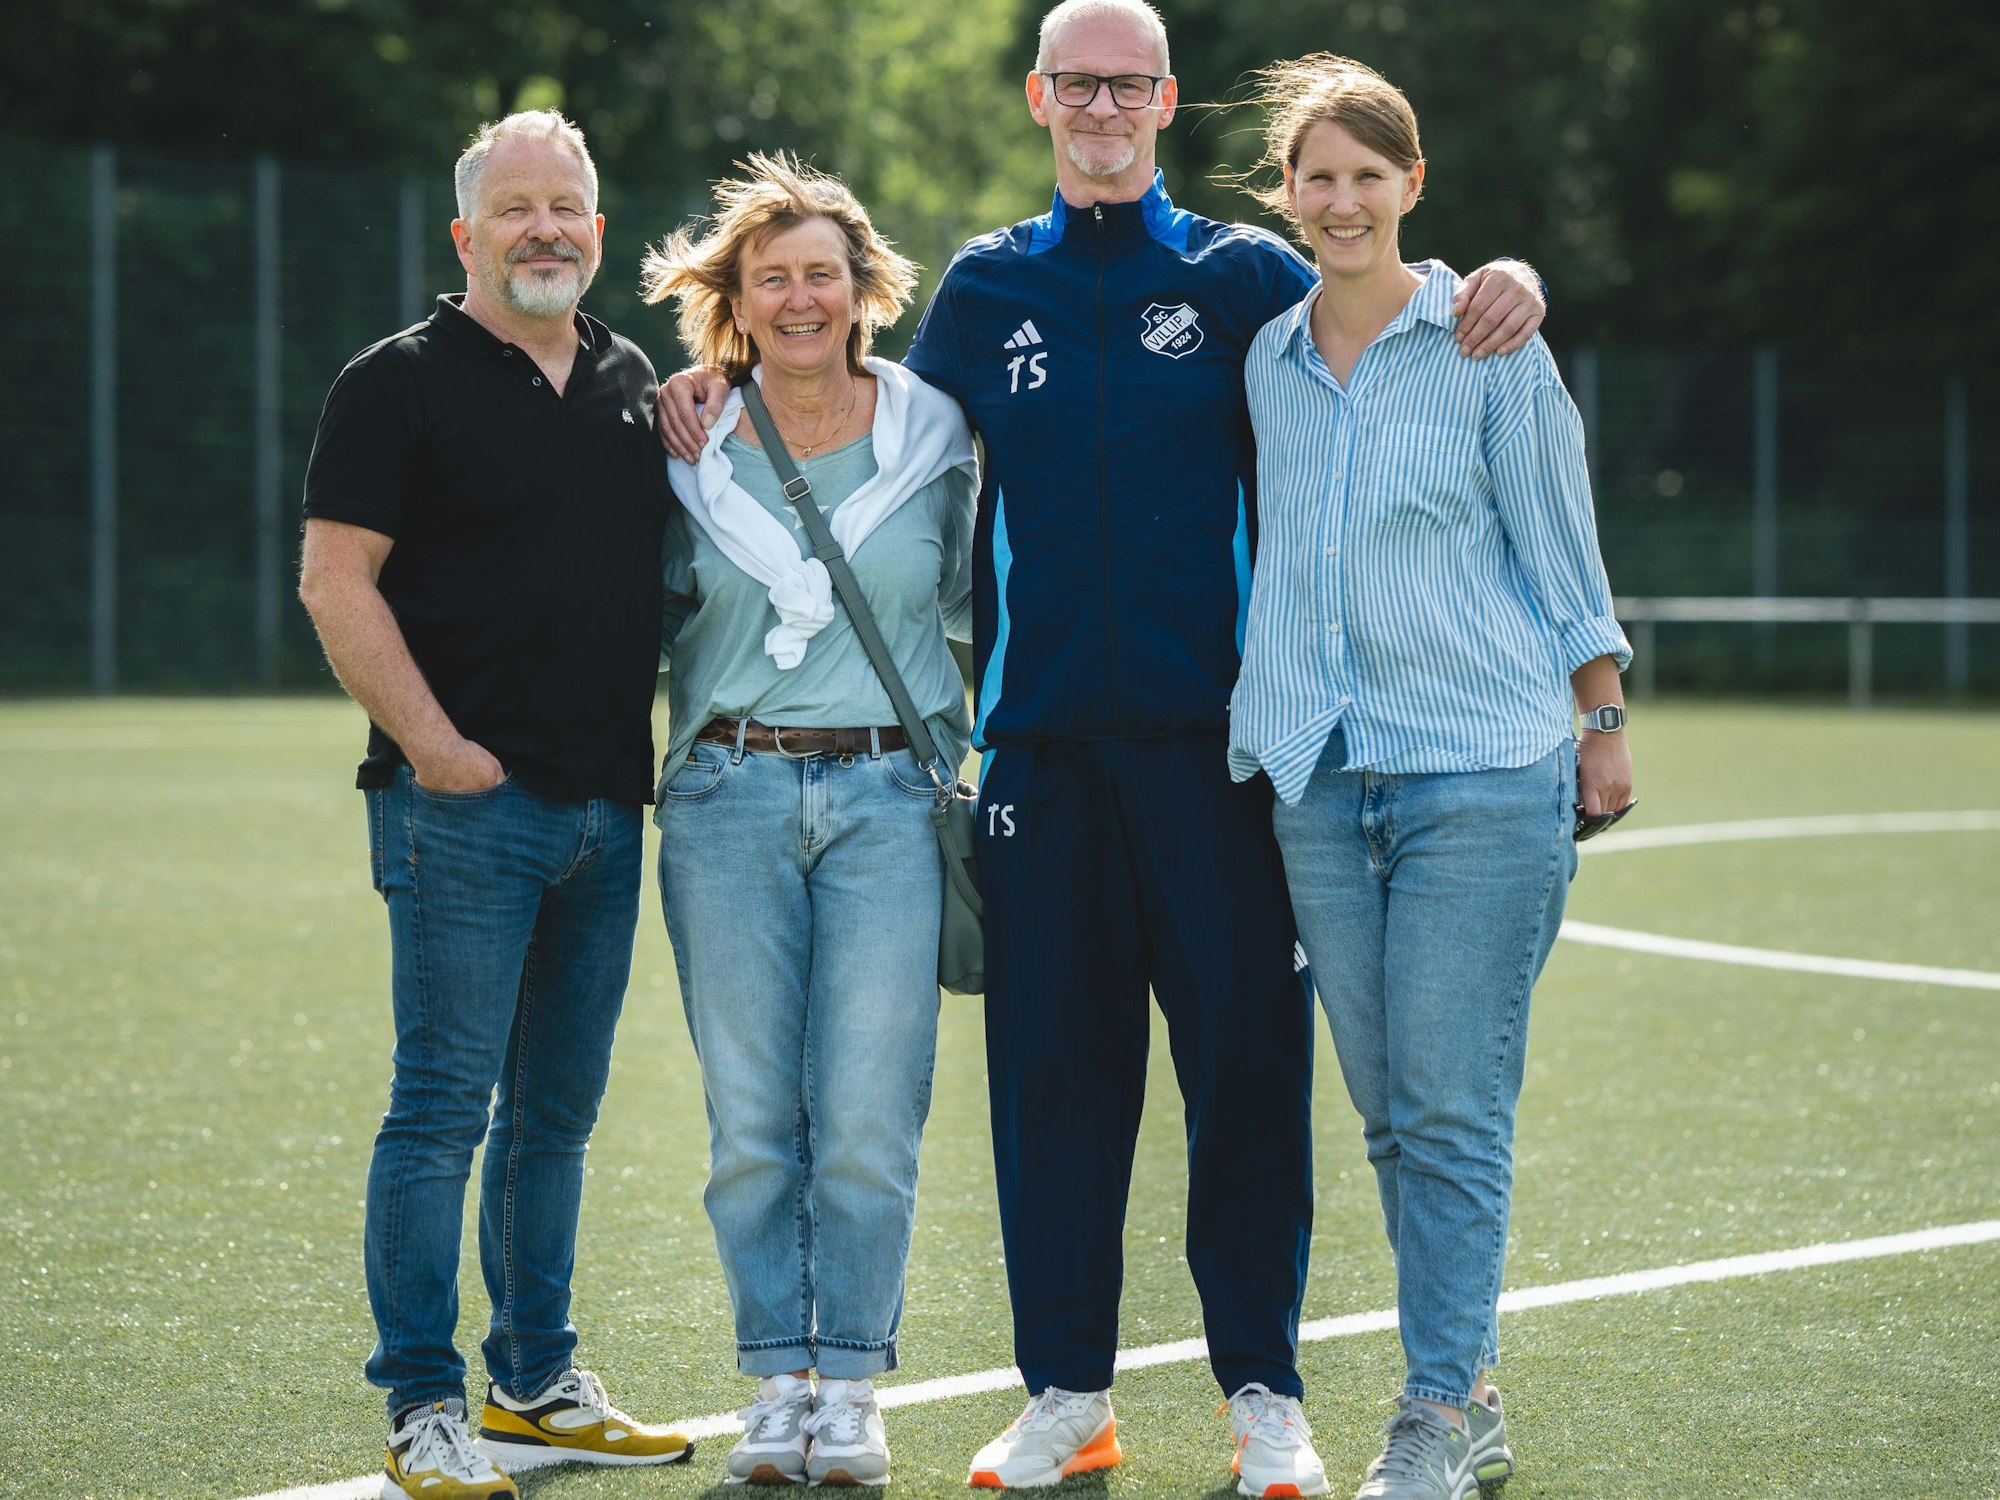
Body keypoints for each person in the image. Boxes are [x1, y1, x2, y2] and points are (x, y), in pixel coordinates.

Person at [658, 5, 1546, 1493]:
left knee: (1248, 1078)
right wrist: (712, 386)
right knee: (1055, 1084)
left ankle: (1266, 1393)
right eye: (1079, 84)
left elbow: (1373, 297)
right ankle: (1067, 1391)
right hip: (1043, 757)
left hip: (1228, 757)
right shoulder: (984, 287)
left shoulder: (1249, 275)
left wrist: (1492, 277)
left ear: (1166, 100)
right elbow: (856, 410)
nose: (1104, 108)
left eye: (1130, 85)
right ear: (1040, 98)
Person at [1227, 56, 1634, 1500]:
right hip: (1322, 781)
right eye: (1316, 178)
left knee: (1451, 1105)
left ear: (1412, 187)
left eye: (1366, 177)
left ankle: (1437, 1410)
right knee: (1395, 1110)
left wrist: (1602, 717)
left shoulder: (1485, 339)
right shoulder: (1265, 357)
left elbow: (1557, 536)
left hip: (1483, 767)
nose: (1341, 202)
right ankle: (1472, 1386)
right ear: (1288, 194)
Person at [297, 110, 693, 1500]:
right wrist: (437, 747)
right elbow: (334, 582)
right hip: (461, 807)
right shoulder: (395, 383)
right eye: (515, 208)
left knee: (557, 1119)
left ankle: (534, 1380)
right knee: (440, 1111)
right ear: (466, 235)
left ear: (596, 226)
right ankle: (422, 1402)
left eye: (566, 206)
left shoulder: (633, 376)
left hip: (607, 811)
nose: (545, 228)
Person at [639, 152, 978, 1489]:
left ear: (863, 290)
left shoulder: (938, 433)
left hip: (894, 794)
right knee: (748, 1118)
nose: (797, 299)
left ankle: (852, 1392)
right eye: (770, 277)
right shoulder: (686, 444)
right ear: (732, 297)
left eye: (820, 276)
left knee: (865, 1116)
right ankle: (777, 1380)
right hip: (723, 795)